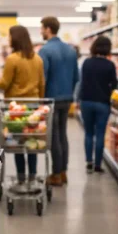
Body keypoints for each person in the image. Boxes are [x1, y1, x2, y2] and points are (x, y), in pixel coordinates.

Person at [0, 25, 45, 192]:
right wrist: (39, 103)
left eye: (10, 36)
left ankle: (21, 180)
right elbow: (42, 84)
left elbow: (3, 84)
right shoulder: (37, 59)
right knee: (31, 143)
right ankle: (32, 178)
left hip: (16, 108)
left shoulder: (13, 59)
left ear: (16, 38)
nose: (8, 39)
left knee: (18, 145)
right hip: (33, 107)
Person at [39, 16, 78, 186]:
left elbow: (43, 79)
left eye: (42, 28)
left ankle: (55, 174)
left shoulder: (45, 51)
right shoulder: (71, 50)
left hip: (51, 99)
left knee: (54, 136)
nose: (41, 31)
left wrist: (40, 100)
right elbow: (77, 77)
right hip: (67, 97)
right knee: (63, 134)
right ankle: (63, 172)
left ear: (48, 29)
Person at [78, 36, 117, 173]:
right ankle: (98, 165)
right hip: (103, 103)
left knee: (89, 133)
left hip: (86, 101)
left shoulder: (87, 62)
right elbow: (114, 86)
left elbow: (82, 83)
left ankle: (89, 162)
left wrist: (78, 100)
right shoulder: (110, 65)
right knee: (100, 134)